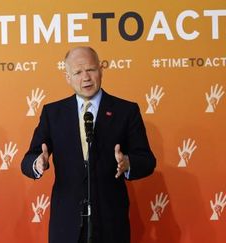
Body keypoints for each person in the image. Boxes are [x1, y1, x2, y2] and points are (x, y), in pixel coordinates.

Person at [21, 46, 156, 243]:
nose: (85, 77)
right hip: (66, 224)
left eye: (91, 70)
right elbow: (27, 160)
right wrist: (37, 162)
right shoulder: (53, 113)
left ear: (101, 70)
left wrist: (128, 163)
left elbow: (147, 160)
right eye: (77, 72)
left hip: (110, 222)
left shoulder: (125, 111)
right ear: (68, 77)